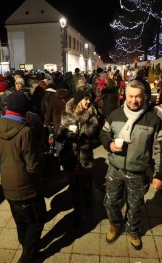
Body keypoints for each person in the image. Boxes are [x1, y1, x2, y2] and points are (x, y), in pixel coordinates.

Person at [99, 80, 162, 250]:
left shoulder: (153, 120)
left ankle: (133, 231)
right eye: (131, 96)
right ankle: (116, 224)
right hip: (115, 169)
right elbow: (103, 133)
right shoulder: (115, 115)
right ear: (125, 95)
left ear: (144, 96)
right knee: (110, 203)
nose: (134, 100)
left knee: (135, 206)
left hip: (138, 173)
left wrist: (159, 174)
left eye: (138, 96)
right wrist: (109, 144)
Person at [0, 92, 46, 262]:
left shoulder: (0, 125)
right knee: (37, 219)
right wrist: (36, 179)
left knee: (21, 220)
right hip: (25, 185)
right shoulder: (25, 131)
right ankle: (27, 255)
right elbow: (32, 164)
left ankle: (26, 246)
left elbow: (0, 153)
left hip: (7, 182)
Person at [55, 90, 100, 227]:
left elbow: (97, 136)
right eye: (85, 99)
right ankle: (77, 213)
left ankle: (88, 214)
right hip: (72, 160)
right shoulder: (66, 115)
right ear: (78, 100)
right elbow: (59, 136)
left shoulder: (92, 116)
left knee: (87, 189)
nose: (88, 102)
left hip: (86, 160)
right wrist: (67, 135)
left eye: (89, 99)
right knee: (74, 189)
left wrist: (85, 133)